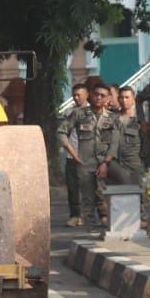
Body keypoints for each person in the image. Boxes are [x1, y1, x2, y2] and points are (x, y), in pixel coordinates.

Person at [56, 83, 116, 228]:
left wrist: (106, 162)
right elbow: (61, 132)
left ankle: (105, 220)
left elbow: (115, 143)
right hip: (85, 162)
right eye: (96, 94)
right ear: (90, 95)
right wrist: (72, 152)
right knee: (87, 196)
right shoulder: (79, 114)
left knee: (104, 193)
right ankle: (89, 227)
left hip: (105, 162)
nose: (98, 98)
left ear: (108, 98)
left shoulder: (113, 118)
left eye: (102, 95)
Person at [102, 86, 144, 186]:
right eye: (121, 97)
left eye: (127, 97)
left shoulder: (141, 118)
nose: (124, 100)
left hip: (134, 164)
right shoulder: (113, 118)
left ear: (133, 98)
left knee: (137, 195)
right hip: (116, 163)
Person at [63, 83, 88, 227]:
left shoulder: (92, 112)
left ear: (86, 95)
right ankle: (74, 215)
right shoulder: (69, 112)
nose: (76, 98)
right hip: (71, 156)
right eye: (74, 95)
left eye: (79, 95)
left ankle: (88, 215)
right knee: (72, 188)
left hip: (87, 156)